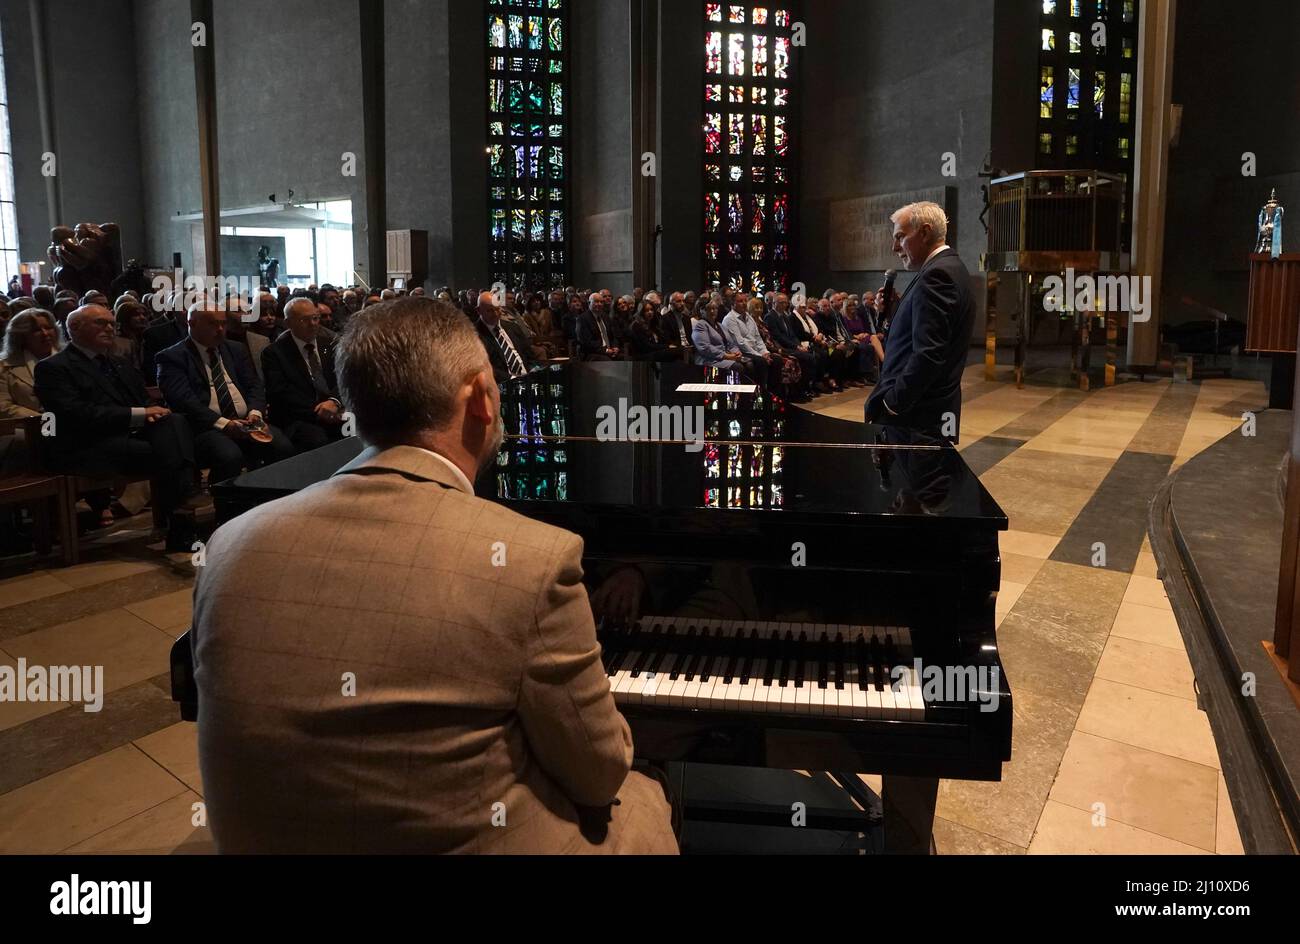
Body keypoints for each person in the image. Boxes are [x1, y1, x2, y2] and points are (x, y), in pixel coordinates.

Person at [192, 296, 677, 854]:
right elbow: (599, 774)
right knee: (647, 792)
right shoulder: (530, 557)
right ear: (478, 398)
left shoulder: (230, 544)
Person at [34, 305, 204, 549]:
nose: (109, 328)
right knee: (169, 453)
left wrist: (152, 412)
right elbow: (75, 414)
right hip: (85, 443)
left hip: (127, 436)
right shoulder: (54, 367)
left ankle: (180, 516)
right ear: (74, 328)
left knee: (174, 422)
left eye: (112, 323)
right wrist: (140, 413)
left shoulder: (118, 362)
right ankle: (182, 514)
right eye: (100, 323)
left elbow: (143, 400)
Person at [865, 201, 975, 441]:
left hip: (915, 418)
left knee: (919, 478)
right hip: (924, 414)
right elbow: (918, 338)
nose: (895, 247)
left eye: (900, 237)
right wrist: (893, 312)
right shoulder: (948, 267)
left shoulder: (937, 275)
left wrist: (893, 403)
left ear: (924, 232)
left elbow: (929, 354)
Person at [156, 304, 294, 485]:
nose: (220, 329)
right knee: (229, 456)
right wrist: (226, 424)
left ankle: (267, 500)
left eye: (223, 323)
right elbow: (184, 402)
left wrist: (255, 413)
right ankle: (227, 507)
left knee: (283, 447)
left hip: (247, 422)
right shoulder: (172, 357)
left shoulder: (235, 349)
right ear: (192, 323)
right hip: (206, 427)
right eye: (213, 324)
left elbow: (254, 385)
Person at [261, 297, 346, 451]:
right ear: (288, 323)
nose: (313, 324)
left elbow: (344, 378)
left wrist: (335, 402)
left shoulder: (330, 344)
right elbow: (280, 393)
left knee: (361, 428)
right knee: (317, 440)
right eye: (304, 320)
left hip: (334, 409)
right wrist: (321, 413)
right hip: (298, 417)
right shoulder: (275, 353)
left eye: (315, 318)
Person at [475, 290, 538, 383]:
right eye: (490, 310)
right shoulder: (474, 335)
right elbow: (485, 368)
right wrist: (512, 378)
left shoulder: (513, 327)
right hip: (503, 383)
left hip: (527, 377)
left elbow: (529, 354)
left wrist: (534, 369)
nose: (496, 314)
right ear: (478, 310)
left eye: (497, 309)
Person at [691, 301, 745, 373]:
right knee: (738, 367)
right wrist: (727, 356)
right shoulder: (700, 325)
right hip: (709, 360)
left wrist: (737, 353)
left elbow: (731, 344)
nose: (712, 311)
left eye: (715, 308)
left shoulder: (720, 325)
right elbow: (705, 348)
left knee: (750, 363)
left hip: (726, 357)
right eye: (709, 309)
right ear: (702, 311)